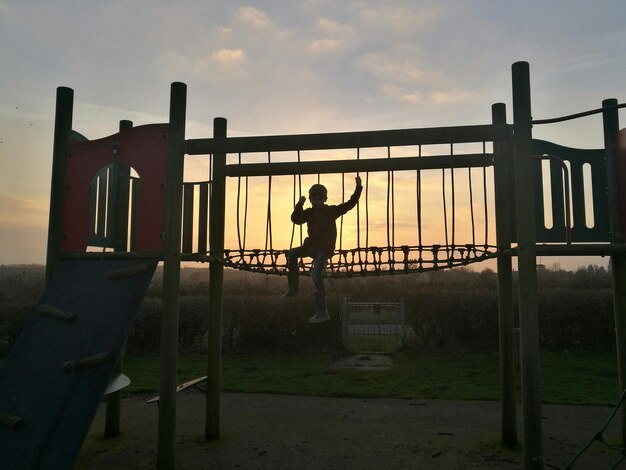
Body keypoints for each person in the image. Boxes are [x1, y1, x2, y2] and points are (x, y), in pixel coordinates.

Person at [282, 176, 363, 323]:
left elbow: (350, 204)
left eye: (320, 199)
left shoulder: (331, 211)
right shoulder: (309, 212)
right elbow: (296, 219)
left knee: (316, 275)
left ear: (325, 199)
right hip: (311, 247)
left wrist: (358, 187)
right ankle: (293, 288)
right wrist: (299, 205)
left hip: (324, 249)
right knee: (293, 253)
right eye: (314, 199)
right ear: (311, 199)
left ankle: (322, 311)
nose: (317, 202)